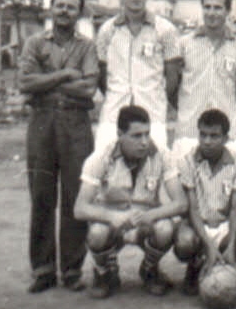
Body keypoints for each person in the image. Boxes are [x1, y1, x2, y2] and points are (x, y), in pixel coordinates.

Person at [18, 0, 98, 293]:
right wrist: (66, 76)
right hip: (41, 123)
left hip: (76, 125)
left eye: (71, 7)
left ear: (79, 12)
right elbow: (25, 82)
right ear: (51, 9)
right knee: (41, 195)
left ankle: (72, 269)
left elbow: (89, 88)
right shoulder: (35, 43)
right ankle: (43, 268)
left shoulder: (88, 47)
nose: (65, 11)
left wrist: (46, 82)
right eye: (60, 5)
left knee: (75, 196)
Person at [74, 105, 187, 298]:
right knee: (97, 233)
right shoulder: (101, 157)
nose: (144, 142)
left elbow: (181, 203)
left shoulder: (162, 154)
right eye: (136, 136)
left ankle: (150, 269)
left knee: (165, 228)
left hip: (145, 222)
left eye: (147, 134)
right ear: (120, 134)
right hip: (113, 224)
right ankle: (104, 272)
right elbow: (80, 208)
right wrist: (112, 217)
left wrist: (149, 215)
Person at [173, 110, 236, 295]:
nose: (207, 141)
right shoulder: (187, 160)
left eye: (214, 136)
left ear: (226, 138)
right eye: (203, 135)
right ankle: (196, 264)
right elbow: (193, 209)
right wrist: (209, 246)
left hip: (225, 225)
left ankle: (227, 265)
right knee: (184, 243)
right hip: (197, 224)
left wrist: (231, 247)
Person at [95, 0, 181, 150]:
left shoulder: (165, 30)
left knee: (153, 169)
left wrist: (156, 98)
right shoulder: (107, 30)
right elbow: (101, 75)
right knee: (107, 166)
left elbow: (173, 77)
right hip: (113, 115)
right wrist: (116, 93)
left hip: (152, 115)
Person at [174, 0, 236, 154]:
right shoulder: (184, 44)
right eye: (207, 7)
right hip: (190, 129)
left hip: (228, 130)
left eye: (217, 8)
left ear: (228, 11)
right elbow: (173, 86)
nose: (211, 12)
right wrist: (187, 107)